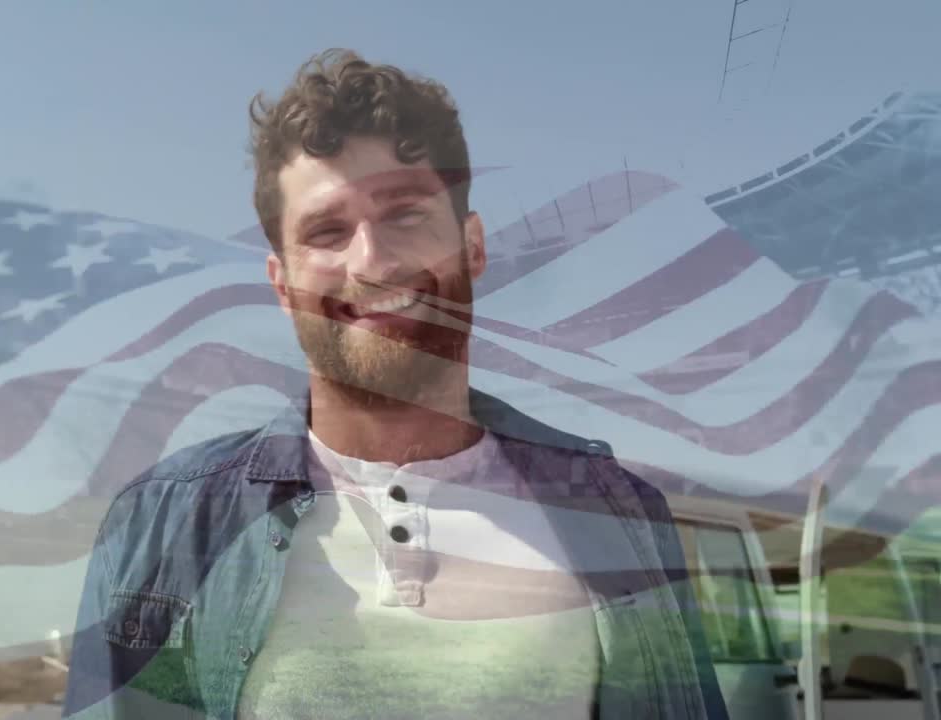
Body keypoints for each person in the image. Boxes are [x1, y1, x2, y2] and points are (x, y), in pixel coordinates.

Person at [62, 48, 728, 720]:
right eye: (326, 230)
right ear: (282, 282)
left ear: (472, 246)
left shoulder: (619, 516)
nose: (372, 261)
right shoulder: (165, 525)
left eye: (405, 216)